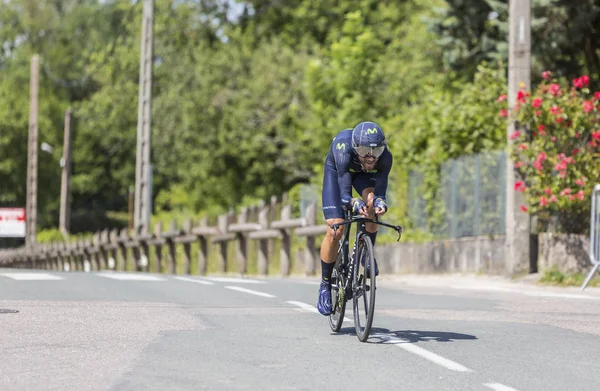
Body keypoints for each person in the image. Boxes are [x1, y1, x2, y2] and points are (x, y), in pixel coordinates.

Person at [317, 121, 392, 316]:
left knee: (372, 206)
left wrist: (379, 203)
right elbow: (344, 193)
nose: (371, 157)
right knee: (336, 228)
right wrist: (353, 203)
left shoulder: (384, 157)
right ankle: (325, 285)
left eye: (376, 152)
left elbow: (381, 191)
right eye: (365, 150)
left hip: (361, 176)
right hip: (338, 172)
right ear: (356, 146)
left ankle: (366, 253)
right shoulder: (343, 149)